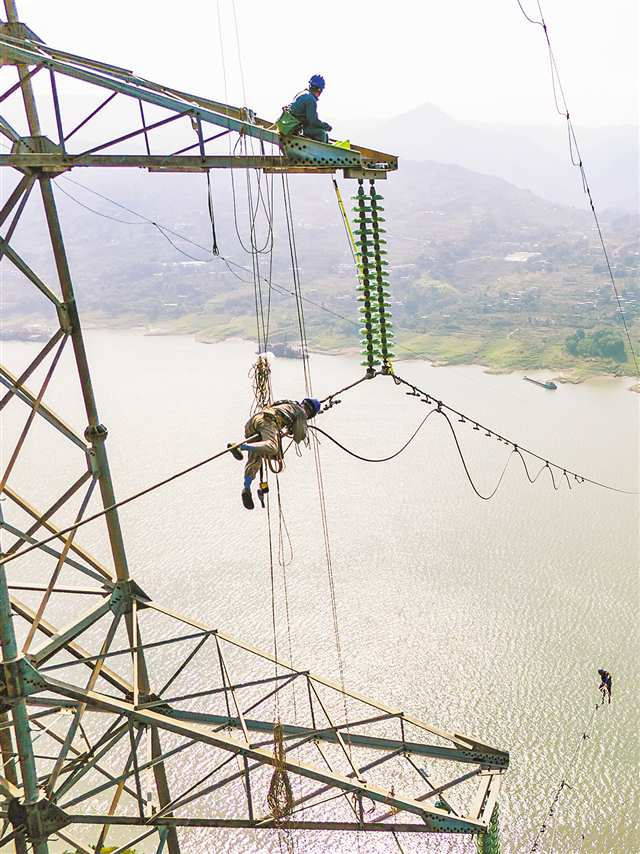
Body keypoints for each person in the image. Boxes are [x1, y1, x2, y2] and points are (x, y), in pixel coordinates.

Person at [229, 398, 321, 509]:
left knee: (255, 459)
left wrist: (290, 425)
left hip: (253, 422)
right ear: (310, 413)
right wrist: (299, 426)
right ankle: (240, 446)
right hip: (267, 422)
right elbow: (299, 436)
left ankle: (246, 487)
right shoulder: (301, 412)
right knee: (272, 447)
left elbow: (279, 412)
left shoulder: (288, 403)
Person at [289, 75, 332, 143]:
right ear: (319, 90)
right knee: (322, 133)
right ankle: (320, 152)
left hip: (291, 123)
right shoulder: (311, 100)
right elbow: (312, 121)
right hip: (295, 127)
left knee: (321, 132)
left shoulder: (302, 93)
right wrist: (326, 126)